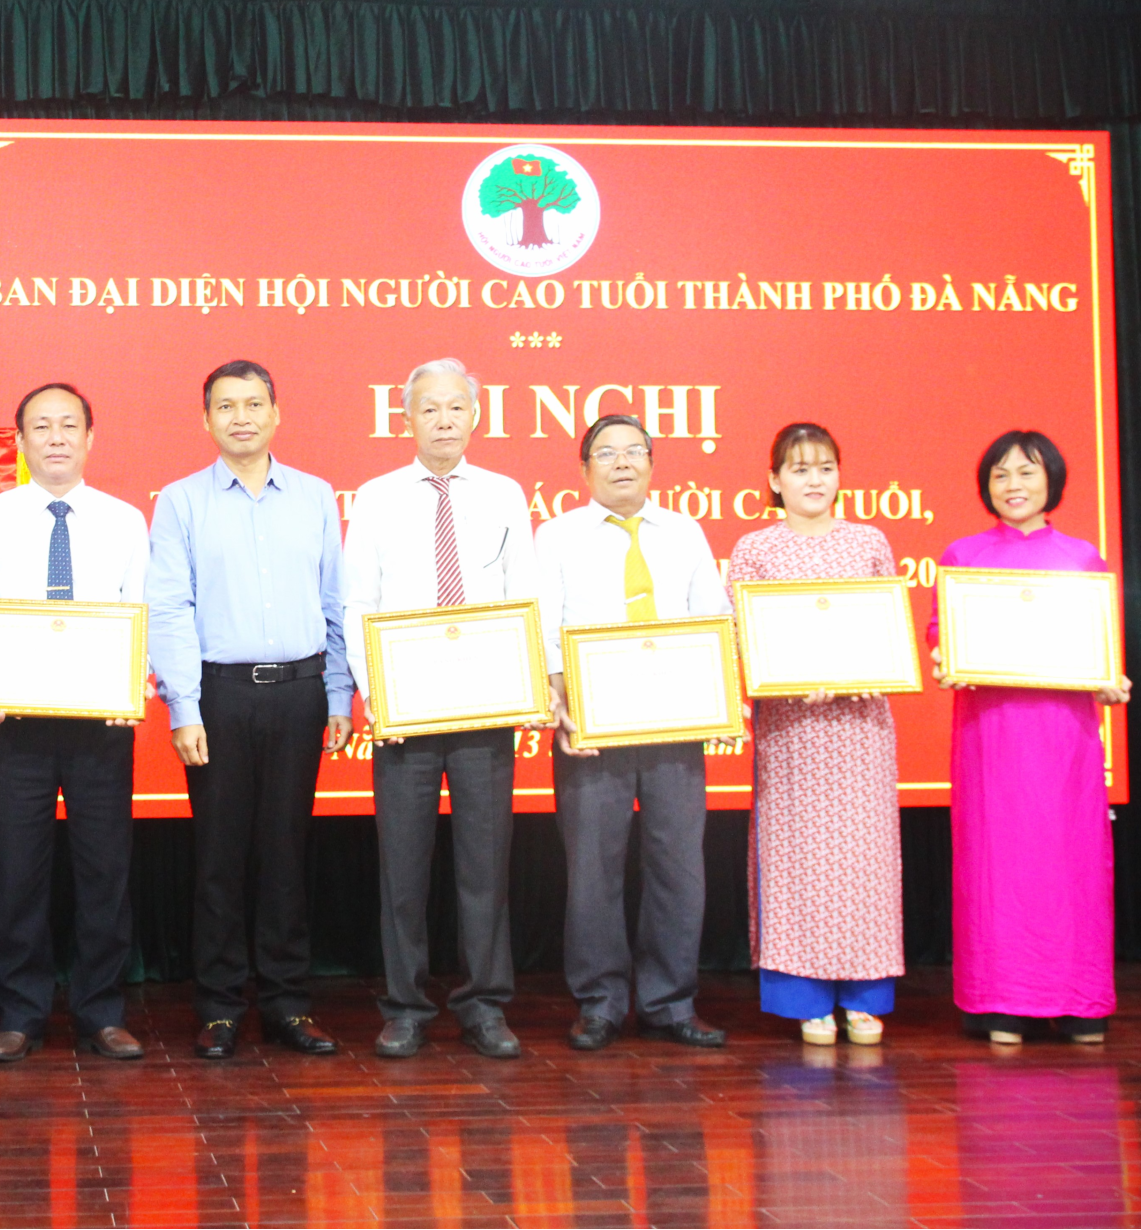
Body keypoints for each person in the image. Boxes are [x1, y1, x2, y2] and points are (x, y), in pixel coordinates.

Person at [147, 360, 353, 1061]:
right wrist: (183, 705)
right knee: (219, 859)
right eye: (226, 406)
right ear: (205, 420)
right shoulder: (180, 502)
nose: (241, 416)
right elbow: (170, 608)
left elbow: (336, 602)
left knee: (287, 855)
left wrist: (338, 692)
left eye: (254, 403)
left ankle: (291, 1006)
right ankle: (218, 1009)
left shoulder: (317, 497)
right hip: (220, 697)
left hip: (299, 693)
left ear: (276, 414)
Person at [342, 359, 538, 1061]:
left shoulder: (505, 494)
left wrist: (526, 685)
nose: (445, 421)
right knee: (404, 867)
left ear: (476, 416)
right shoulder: (375, 497)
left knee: (486, 865)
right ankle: (405, 1007)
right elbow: (357, 600)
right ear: (407, 419)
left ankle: (485, 1006)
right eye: (430, 410)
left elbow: (526, 594)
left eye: (457, 408)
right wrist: (377, 696)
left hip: (486, 706)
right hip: (406, 710)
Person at [0, 383, 149, 1063]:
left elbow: (139, 613)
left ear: (91, 437)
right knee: (18, 868)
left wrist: (132, 682)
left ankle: (101, 1011)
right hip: (20, 720)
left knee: (105, 870)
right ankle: (20, 1011)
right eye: (42, 426)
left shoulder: (125, 520)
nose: (57, 437)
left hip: (101, 720)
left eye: (70, 425)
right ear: (22, 440)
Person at [536, 413, 732, 1051]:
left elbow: (713, 615)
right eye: (606, 453)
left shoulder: (684, 531)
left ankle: (670, 1002)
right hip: (594, 723)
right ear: (584, 469)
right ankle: (599, 1003)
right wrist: (559, 697)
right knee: (592, 867)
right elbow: (545, 623)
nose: (622, 462)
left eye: (634, 452)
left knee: (679, 865)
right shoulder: (557, 535)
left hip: (676, 719)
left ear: (652, 463)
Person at [930, 431, 1130, 1045]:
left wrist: (1108, 678)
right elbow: (942, 633)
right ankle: (1001, 1002)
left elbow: (1098, 648)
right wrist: (945, 656)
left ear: (1053, 481)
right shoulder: (963, 556)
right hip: (992, 737)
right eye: (1000, 475)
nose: (1013, 485)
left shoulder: (1081, 559)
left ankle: (1080, 1001)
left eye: (1027, 472)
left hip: (1064, 741)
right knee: (996, 861)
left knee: (1071, 861)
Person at [727, 423, 904, 1046]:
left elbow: (890, 628)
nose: (814, 480)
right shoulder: (755, 550)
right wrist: (793, 678)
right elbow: (743, 638)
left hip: (861, 728)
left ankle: (864, 998)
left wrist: (864, 671)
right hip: (793, 731)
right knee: (797, 860)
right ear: (775, 480)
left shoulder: (869, 542)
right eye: (799, 469)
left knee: (864, 861)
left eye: (825, 467)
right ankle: (804, 997)